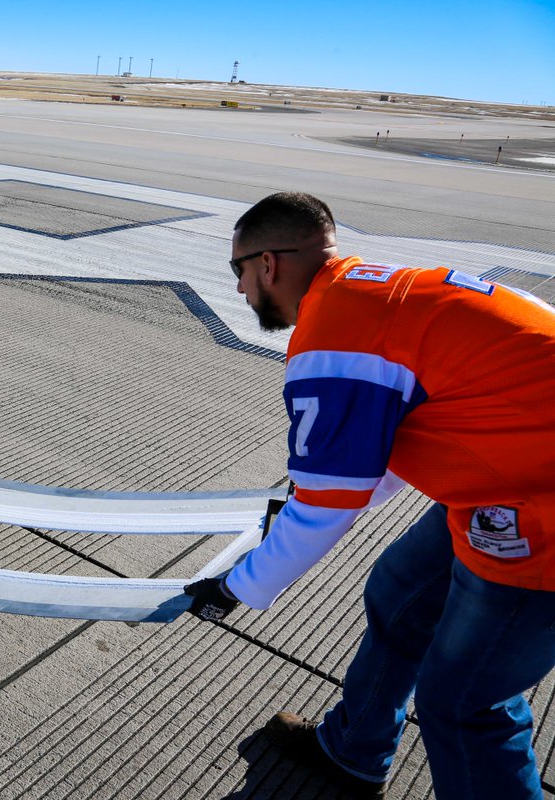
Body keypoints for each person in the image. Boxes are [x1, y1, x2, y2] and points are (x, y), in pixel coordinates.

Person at [183, 192, 555, 799]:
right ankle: (354, 750)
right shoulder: (375, 295)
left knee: (465, 703)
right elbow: (388, 454)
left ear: (268, 265)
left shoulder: (335, 338)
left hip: (538, 510)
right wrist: (315, 499)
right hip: (511, 471)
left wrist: (237, 586)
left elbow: (329, 504)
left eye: (239, 272)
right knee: (402, 594)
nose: (242, 291)